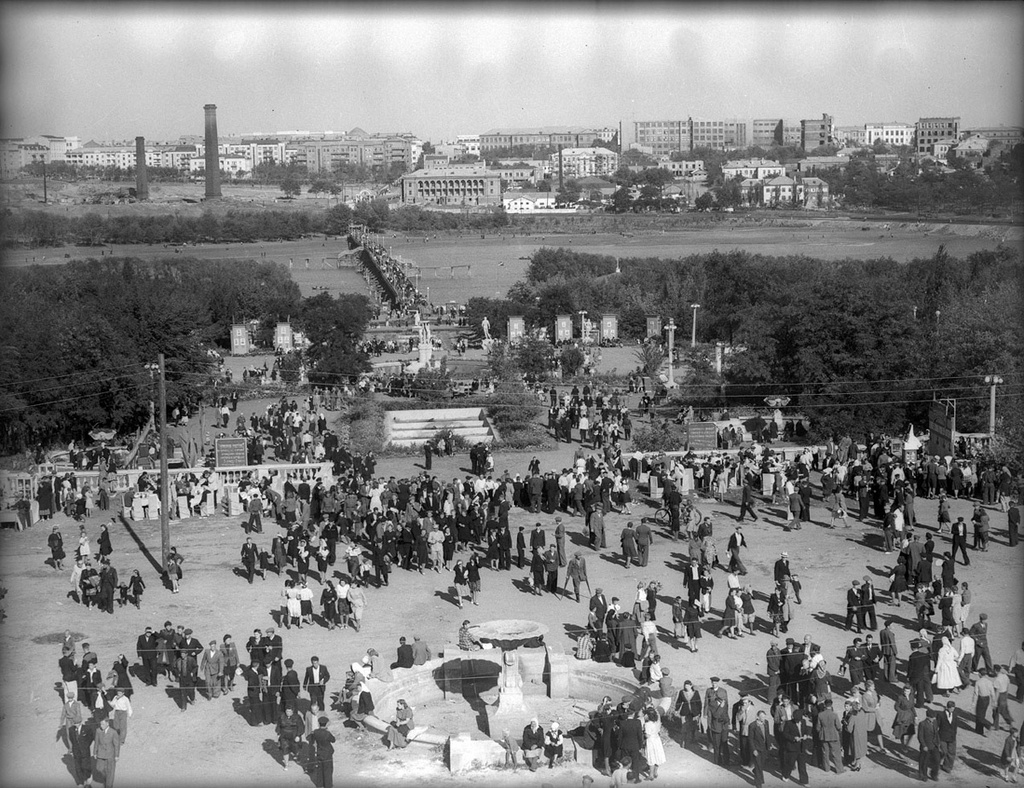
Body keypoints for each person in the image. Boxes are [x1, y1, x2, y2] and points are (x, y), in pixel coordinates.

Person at [308, 716, 336, 788]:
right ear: (326, 724)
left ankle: (320, 784)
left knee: (320, 769)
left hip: (319, 752)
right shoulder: (327, 733)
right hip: (327, 753)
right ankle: (328, 785)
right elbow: (333, 740)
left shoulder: (316, 732)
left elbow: (311, 739)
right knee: (328, 770)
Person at [92, 715, 120, 788]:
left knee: (110, 772)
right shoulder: (98, 731)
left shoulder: (113, 732)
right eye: (101, 724)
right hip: (100, 754)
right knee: (99, 768)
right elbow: (96, 742)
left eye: (103, 724)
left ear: (107, 724)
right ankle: (106, 780)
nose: (101, 726)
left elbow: (116, 745)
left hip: (110, 754)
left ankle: (109, 785)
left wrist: (117, 755)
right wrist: (95, 752)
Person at [918, 709, 941, 781]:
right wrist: (924, 745)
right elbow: (920, 736)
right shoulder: (922, 724)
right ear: (928, 717)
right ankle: (923, 775)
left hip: (934, 745)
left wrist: (938, 743)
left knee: (937, 760)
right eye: (932, 717)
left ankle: (934, 774)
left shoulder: (935, 722)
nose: (934, 718)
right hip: (926, 746)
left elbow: (936, 733)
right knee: (924, 762)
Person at [644, 707, 666, 780]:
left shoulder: (647, 724)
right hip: (657, 740)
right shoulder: (657, 722)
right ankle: (655, 772)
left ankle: (651, 775)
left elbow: (647, 735)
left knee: (651, 757)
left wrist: (643, 733)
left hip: (651, 741)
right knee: (657, 756)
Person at [937, 700, 959, 773]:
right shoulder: (941, 715)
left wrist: (954, 734)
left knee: (952, 752)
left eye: (953, 708)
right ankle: (936, 761)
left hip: (952, 737)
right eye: (951, 708)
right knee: (944, 751)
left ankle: (947, 767)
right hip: (943, 736)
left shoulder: (955, 715)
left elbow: (955, 726)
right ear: (947, 707)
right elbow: (937, 725)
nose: (952, 710)